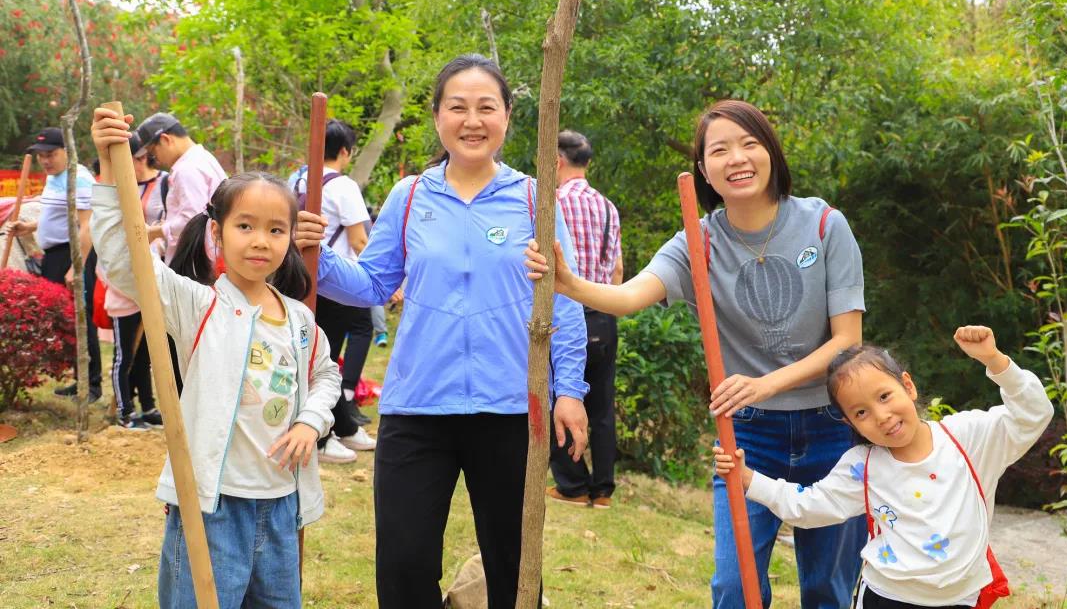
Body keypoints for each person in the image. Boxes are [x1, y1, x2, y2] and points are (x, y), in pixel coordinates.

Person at [525, 99, 866, 608]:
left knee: (828, 590)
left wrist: (766, 382)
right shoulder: (698, 241)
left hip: (833, 429)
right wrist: (570, 283)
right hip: (747, 435)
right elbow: (629, 296)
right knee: (734, 588)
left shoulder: (824, 225)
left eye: (749, 143)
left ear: (770, 150)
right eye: (720, 150)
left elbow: (847, 344)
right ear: (704, 169)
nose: (738, 158)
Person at [294, 54, 589, 609]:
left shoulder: (533, 199)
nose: (472, 120)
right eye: (458, 107)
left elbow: (565, 302)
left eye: (486, 107)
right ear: (437, 118)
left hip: (510, 408)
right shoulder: (410, 197)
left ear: (506, 118)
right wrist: (314, 254)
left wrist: (568, 390)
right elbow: (374, 283)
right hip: (418, 409)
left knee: (512, 566)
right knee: (403, 566)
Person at [90, 107, 341, 608]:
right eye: (245, 225)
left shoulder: (298, 319)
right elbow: (123, 258)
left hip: (280, 505)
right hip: (213, 505)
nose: (260, 241)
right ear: (217, 232)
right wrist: (106, 167)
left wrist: (311, 422)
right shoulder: (198, 304)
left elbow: (325, 374)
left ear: (291, 239)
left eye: (275, 230)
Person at [713, 326, 1054, 608]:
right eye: (861, 412)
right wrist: (747, 478)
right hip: (886, 597)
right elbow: (808, 506)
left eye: (885, 396)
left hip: (960, 598)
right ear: (850, 423)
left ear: (908, 386)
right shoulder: (862, 467)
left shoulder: (968, 438)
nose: (881, 416)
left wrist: (995, 361)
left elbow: (1034, 414)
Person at [545, 129, 623, 509]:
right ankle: (604, 489)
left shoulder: (551, 203)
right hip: (605, 313)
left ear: (556, 161)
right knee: (602, 406)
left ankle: (573, 486)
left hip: (566, 315)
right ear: (587, 162)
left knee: (558, 393)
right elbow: (618, 270)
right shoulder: (608, 207)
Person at [293, 119, 378, 462]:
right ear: (345, 151)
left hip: (304, 279)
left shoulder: (299, 179)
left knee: (316, 353)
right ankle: (327, 433)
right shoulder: (343, 186)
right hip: (339, 281)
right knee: (325, 358)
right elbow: (359, 240)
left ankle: (343, 425)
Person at [10, 126, 102, 402]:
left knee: (82, 319)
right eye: (41, 156)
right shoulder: (54, 178)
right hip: (54, 255)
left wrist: (77, 266)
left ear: (67, 151)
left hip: (73, 255)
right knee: (65, 321)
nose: (45, 161)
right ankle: (79, 379)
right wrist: (29, 227)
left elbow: (87, 226)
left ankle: (93, 385)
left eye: (51, 154)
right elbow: (58, 216)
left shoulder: (80, 179)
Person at [105, 133, 169, 429]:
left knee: (147, 351)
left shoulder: (161, 184)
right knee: (124, 355)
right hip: (123, 290)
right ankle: (124, 412)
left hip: (149, 281)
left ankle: (148, 407)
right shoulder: (114, 194)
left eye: (143, 157)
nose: (140, 163)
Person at [133, 112, 227, 265]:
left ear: (165, 140)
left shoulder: (187, 169)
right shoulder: (203, 158)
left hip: (196, 264)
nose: (155, 159)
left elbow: (192, 221)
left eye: (153, 152)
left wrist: (155, 232)